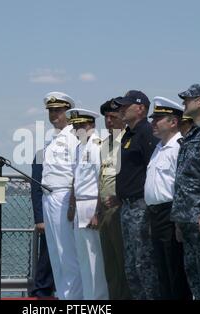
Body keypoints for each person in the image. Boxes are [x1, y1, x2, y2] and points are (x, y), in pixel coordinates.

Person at [170, 84, 200, 300]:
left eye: (187, 99)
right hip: (187, 217)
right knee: (194, 275)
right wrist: (180, 220)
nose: (183, 104)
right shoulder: (192, 135)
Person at [112, 90, 160, 300]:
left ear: (140, 108)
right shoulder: (128, 134)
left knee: (145, 264)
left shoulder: (147, 132)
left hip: (141, 207)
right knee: (131, 266)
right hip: (127, 206)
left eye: (125, 106)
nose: (121, 109)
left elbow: (153, 168)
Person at [144, 96, 192, 300]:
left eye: (158, 119)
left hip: (171, 213)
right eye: (153, 119)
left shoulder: (179, 147)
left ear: (173, 122)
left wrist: (179, 220)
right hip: (155, 214)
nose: (153, 123)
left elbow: (182, 185)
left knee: (175, 271)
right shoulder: (158, 148)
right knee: (161, 271)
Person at [40, 92, 83, 300]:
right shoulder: (52, 138)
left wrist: (73, 203)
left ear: (68, 111)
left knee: (68, 254)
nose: (54, 114)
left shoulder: (74, 136)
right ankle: (64, 296)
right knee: (56, 254)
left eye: (58, 110)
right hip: (48, 197)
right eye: (51, 110)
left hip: (64, 196)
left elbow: (78, 171)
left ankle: (74, 299)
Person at [66, 108, 109, 300]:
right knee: (83, 260)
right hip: (80, 207)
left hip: (92, 205)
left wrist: (98, 212)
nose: (76, 130)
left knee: (96, 261)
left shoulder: (98, 145)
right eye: (74, 126)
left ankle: (98, 300)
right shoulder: (78, 147)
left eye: (80, 126)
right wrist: (72, 206)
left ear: (90, 125)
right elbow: (76, 180)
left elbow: (102, 179)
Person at [98, 99, 131, 300]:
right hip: (104, 211)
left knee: (124, 263)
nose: (109, 121)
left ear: (123, 117)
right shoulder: (104, 144)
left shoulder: (129, 141)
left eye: (113, 117)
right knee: (109, 264)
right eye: (106, 118)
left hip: (121, 209)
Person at [29, 149, 55, 298]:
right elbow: (36, 188)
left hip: (72, 211)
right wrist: (39, 219)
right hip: (49, 213)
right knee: (47, 254)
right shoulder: (42, 154)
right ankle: (42, 290)